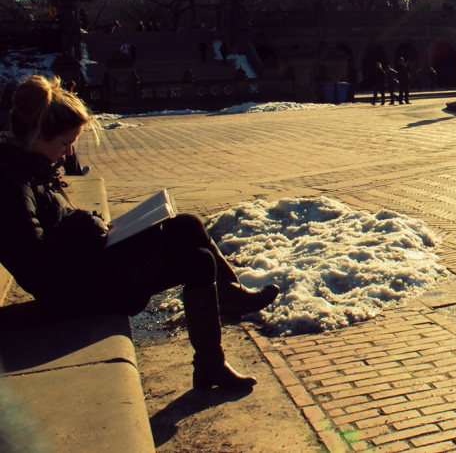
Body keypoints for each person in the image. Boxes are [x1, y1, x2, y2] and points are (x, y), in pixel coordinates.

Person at [0, 75, 279, 392]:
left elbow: (57, 225)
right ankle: (227, 314)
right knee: (192, 243)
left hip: (82, 273)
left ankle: (212, 359)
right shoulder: (13, 184)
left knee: (194, 245)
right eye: (64, 144)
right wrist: (85, 230)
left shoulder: (30, 169)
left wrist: (88, 225)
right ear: (36, 135)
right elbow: (37, 265)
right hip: (72, 293)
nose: (67, 153)